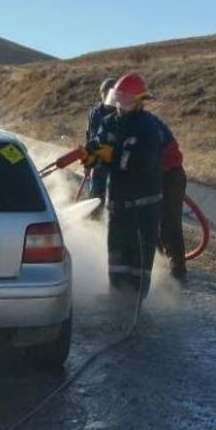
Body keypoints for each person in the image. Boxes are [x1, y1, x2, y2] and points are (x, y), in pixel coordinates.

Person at [84, 73, 164, 300]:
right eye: (118, 98)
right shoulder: (110, 121)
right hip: (117, 205)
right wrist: (91, 155)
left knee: (138, 261)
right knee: (117, 257)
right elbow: (98, 144)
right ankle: (116, 297)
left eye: (125, 100)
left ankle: (136, 303)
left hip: (143, 208)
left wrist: (110, 155)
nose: (120, 105)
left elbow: (138, 163)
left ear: (139, 101)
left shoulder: (148, 128)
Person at [157, 120, 188, 280]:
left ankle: (177, 269)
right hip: (150, 175)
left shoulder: (148, 125)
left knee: (169, 222)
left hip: (170, 175)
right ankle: (156, 264)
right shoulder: (116, 125)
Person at [84, 78, 117, 210]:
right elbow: (89, 137)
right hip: (97, 165)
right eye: (105, 92)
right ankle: (92, 225)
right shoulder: (94, 112)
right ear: (101, 93)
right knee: (94, 200)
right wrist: (87, 163)